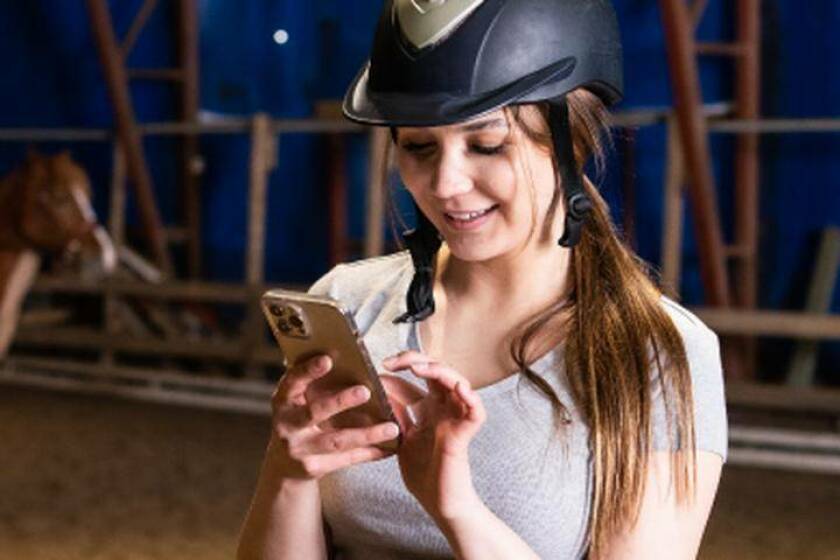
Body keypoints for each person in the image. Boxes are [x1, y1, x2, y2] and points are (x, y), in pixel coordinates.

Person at [237, 0, 727, 558]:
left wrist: (457, 509)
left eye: (487, 145)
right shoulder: (348, 304)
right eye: (419, 147)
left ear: (572, 144)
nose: (446, 184)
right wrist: (288, 471)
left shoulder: (657, 354)